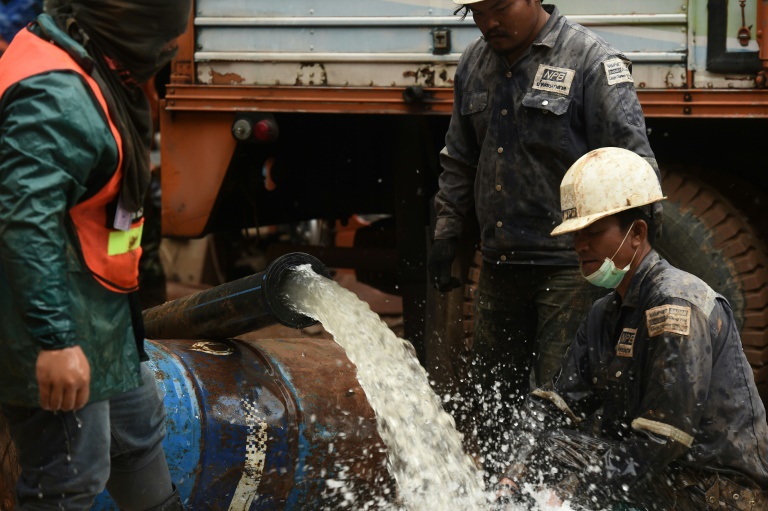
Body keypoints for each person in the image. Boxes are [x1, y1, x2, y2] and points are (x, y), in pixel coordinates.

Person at [427, 0, 660, 471]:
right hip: (500, 266)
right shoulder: (473, 63)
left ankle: (559, 495)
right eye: (475, 10)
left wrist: (638, 266)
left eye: (498, 7)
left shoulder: (591, 62)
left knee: (562, 406)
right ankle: (497, 490)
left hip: (570, 270)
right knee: (492, 401)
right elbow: (459, 157)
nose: (487, 21)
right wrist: (448, 229)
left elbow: (635, 167)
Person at [497, 147, 768, 510]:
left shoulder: (676, 304)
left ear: (637, 232)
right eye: (576, 234)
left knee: (572, 478)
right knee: (546, 447)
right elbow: (554, 405)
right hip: (667, 477)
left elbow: (662, 440)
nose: (580, 246)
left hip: (715, 491)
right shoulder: (604, 315)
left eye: (593, 231)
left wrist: (576, 489)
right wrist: (511, 474)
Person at [0, 1, 191, 509]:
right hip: (42, 313)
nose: (168, 51)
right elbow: (24, 224)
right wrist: (54, 342)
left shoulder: (92, 63)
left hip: (100, 308)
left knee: (137, 432)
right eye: (161, 41)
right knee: (70, 475)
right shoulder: (55, 98)